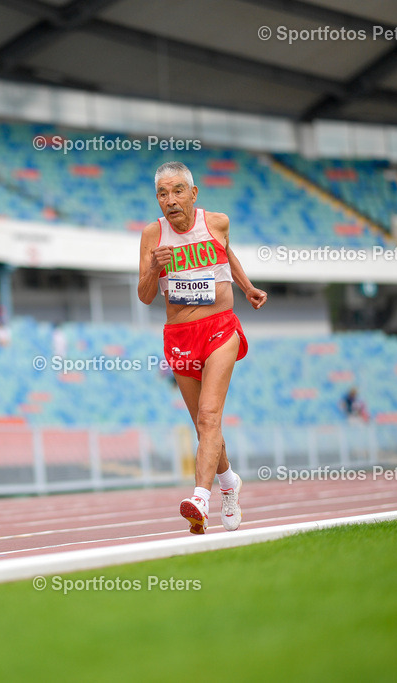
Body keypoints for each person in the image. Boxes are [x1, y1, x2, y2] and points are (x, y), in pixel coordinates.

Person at [138, 161, 267, 534]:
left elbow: (227, 253)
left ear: (194, 194)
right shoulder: (152, 235)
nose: (170, 200)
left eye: (178, 191)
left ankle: (200, 497)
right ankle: (229, 484)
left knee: (210, 416)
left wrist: (247, 287)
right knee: (202, 425)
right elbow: (145, 296)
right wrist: (153, 269)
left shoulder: (217, 222)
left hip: (220, 328)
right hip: (179, 336)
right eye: (163, 193)